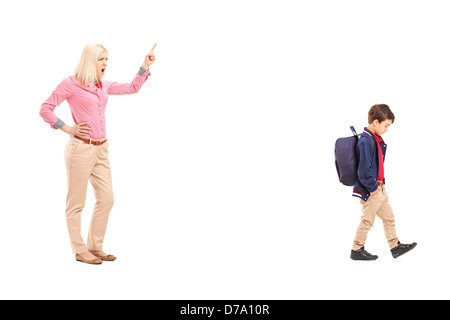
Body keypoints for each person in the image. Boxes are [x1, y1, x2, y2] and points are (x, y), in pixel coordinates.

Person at [39, 42, 157, 264]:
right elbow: (45, 109)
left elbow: (131, 87)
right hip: (80, 148)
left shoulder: (102, 85)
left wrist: (144, 66)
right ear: (89, 61)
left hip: (102, 148)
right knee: (76, 204)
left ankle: (94, 247)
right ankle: (79, 249)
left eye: (107, 59)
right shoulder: (70, 84)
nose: (106, 63)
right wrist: (67, 128)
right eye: (101, 59)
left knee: (107, 199)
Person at [350, 104, 417, 260]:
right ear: (375, 122)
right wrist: (373, 189)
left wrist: (380, 185)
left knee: (388, 217)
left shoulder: (375, 138)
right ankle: (356, 249)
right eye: (386, 125)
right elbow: (364, 171)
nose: (387, 129)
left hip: (380, 187)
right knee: (367, 220)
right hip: (372, 189)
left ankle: (395, 247)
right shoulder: (366, 141)